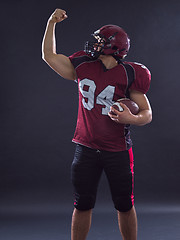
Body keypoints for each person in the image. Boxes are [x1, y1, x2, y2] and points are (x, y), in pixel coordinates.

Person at [42, 8, 152, 240]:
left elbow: (147, 113)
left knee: (124, 204)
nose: (94, 44)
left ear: (115, 47)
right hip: (86, 147)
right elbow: (49, 56)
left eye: (101, 41)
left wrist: (131, 119)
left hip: (118, 150)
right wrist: (51, 23)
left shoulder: (131, 73)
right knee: (82, 204)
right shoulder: (83, 64)